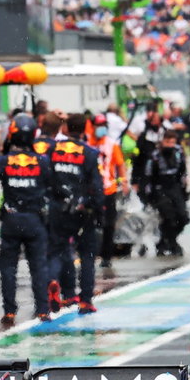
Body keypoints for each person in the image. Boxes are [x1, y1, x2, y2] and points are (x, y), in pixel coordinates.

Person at [0, 113, 55, 328]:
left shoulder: (3, 161)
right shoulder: (42, 161)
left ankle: (9, 311)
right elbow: (50, 183)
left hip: (12, 220)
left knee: (8, 267)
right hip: (35, 219)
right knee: (38, 266)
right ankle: (42, 309)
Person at [45, 113, 103, 313]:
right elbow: (97, 185)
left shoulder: (53, 149)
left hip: (57, 208)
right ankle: (85, 299)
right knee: (87, 254)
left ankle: (53, 281)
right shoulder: (89, 152)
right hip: (82, 209)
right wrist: (97, 209)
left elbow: (46, 177)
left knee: (57, 250)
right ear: (85, 129)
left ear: (66, 128)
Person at [143, 128, 190, 256]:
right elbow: (149, 176)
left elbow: (183, 171)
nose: (170, 145)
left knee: (183, 217)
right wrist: (149, 195)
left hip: (175, 187)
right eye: (168, 142)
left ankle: (166, 240)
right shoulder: (155, 156)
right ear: (163, 141)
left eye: (172, 142)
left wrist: (184, 187)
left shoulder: (178, 152)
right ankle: (171, 243)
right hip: (160, 188)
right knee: (169, 217)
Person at [92, 113, 128, 271]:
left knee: (108, 224)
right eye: (98, 125)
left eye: (103, 125)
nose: (101, 128)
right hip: (92, 191)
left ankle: (106, 257)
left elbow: (120, 164)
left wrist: (124, 181)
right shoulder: (87, 143)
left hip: (108, 189)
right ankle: (90, 253)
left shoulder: (112, 144)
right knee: (91, 224)